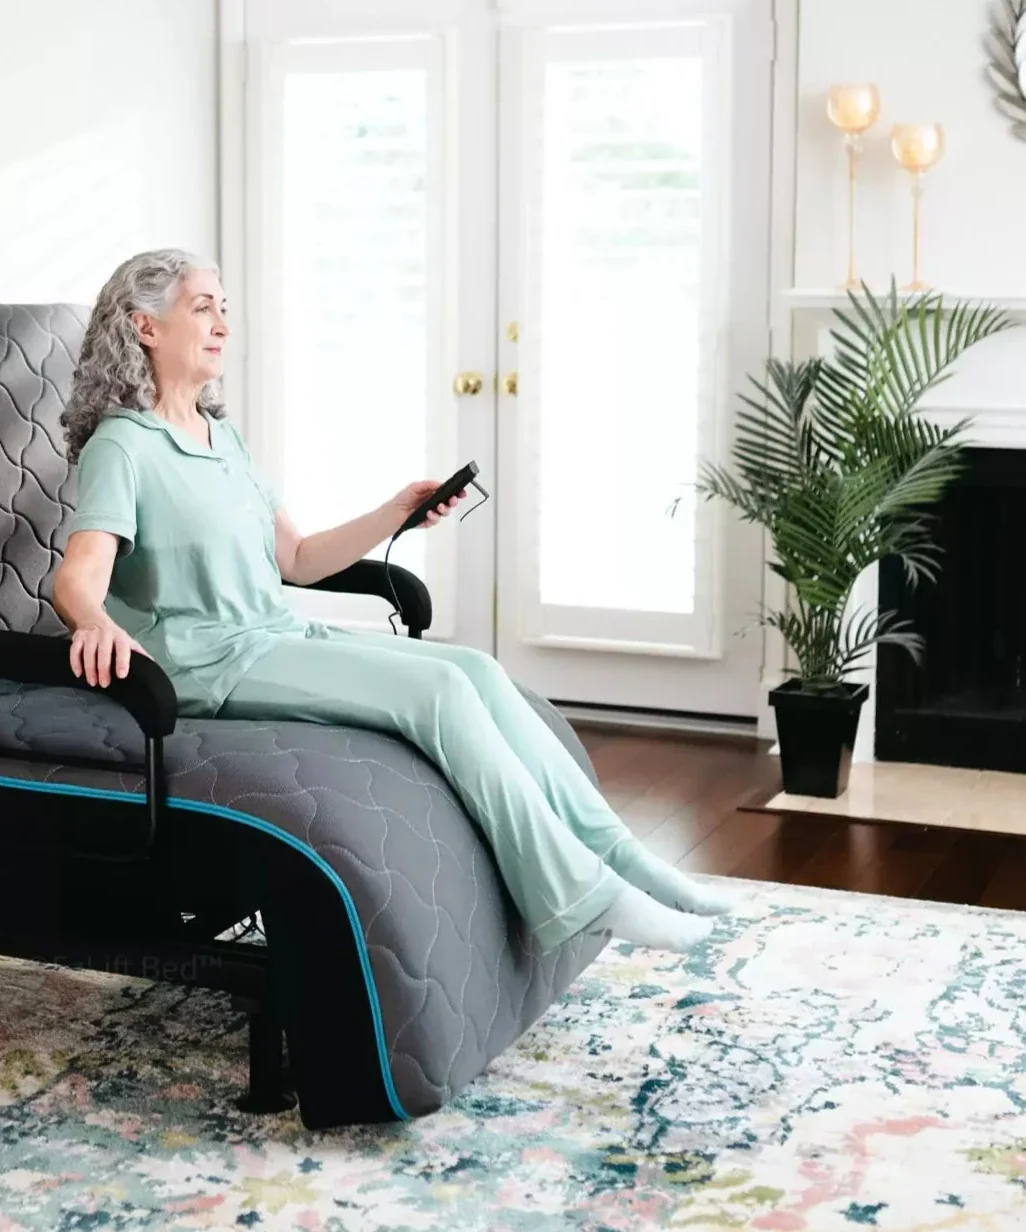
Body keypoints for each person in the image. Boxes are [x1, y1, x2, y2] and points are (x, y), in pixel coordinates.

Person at [49, 248, 738, 953]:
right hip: (204, 661)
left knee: (475, 669)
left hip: (273, 636)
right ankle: (583, 898)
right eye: (203, 307)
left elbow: (297, 558)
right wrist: (95, 621)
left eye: (225, 306)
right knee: (437, 690)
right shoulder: (123, 446)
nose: (224, 322)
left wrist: (394, 514)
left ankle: (625, 860)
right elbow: (76, 578)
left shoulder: (223, 437)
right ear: (145, 328)